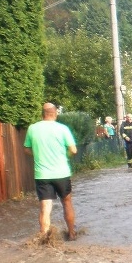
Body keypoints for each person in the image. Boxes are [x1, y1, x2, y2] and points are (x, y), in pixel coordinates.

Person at [23, 102, 78, 240]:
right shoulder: (63, 128)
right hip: (62, 173)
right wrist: (66, 156)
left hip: (42, 175)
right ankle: (71, 234)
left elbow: (26, 149)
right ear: (55, 113)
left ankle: (44, 237)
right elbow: (73, 150)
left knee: (45, 207)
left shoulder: (33, 128)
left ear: (43, 114)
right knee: (67, 202)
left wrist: (38, 154)